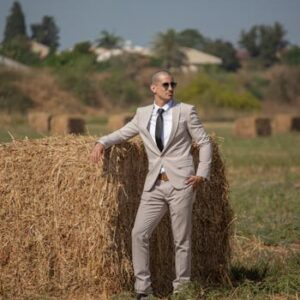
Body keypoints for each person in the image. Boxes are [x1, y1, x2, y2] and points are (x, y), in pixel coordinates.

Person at [90, 70, 212, 300]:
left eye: (172, 84)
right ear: (153, 88)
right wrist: (101, 142)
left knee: (181, 240)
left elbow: (204, 142)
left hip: (182, 184)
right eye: (165, 84)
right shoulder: (142, 113)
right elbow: (124, 133)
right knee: (139, 233)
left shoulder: (186, 111)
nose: (170, 88)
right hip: (154, 185)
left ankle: (182, 289)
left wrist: (202, 173)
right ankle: (143, 289)